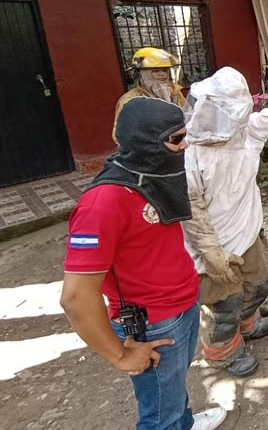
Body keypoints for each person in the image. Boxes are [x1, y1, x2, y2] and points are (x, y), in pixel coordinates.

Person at [61, 97, 225, 430]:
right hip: (153, 323)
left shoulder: (154, 174)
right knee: (159, 415)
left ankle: (186, 422)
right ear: (146, 143)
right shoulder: (102, 204)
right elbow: (76, 297)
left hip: (182, 303)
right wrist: (120, 355)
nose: (186, 144)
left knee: (173, 388)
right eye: (176, 138)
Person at [180, 61, 268, 377]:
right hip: (213, 247)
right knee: (225, 305)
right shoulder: (190, 155)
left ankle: (247, 325)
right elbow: (192, 211)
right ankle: (221, 353)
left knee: (259, 286)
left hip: (247, 233)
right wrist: (212, 253)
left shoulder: (244, 132)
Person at [113, 47, 186, 143]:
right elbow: (120, 134)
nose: (162, 74)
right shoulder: (131, 99)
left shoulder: (175, 92)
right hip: (148, 153)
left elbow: (189, 117)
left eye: (165, 70)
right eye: (155, 71)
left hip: (178, 147)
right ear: (142, 73)